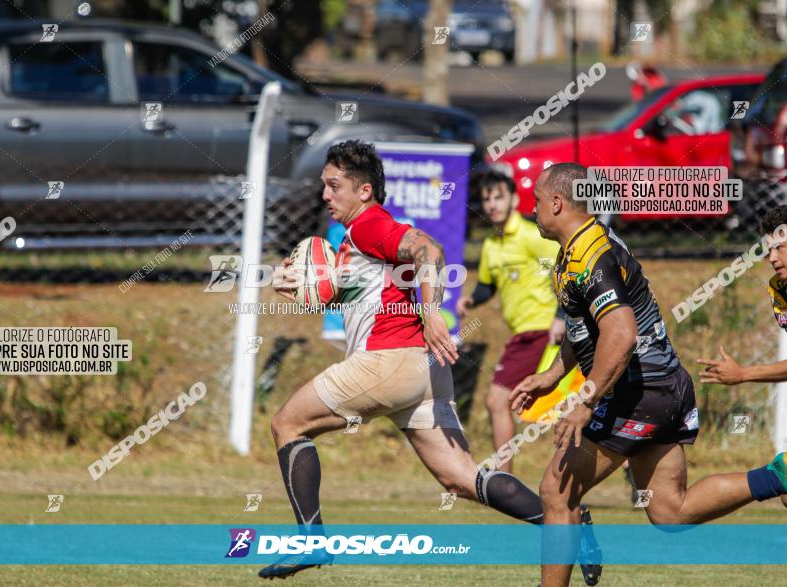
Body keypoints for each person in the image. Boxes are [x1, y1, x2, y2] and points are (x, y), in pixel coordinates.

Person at [259, 141, 601, 584]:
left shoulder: (368, 226)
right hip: (422, 370)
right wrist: (305, 289)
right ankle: (569, 520)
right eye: (324, 185)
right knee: (463, 480)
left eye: (334, 185)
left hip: (387, 362)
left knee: (287, 424)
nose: (325, 194)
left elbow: (429, 249)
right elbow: (364, 296)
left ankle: (311, 540)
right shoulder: (357, 240)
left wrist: (432, 311)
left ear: (364, 191)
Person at [509, 163, 787, 587]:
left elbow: (620, 334)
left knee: (556, 491)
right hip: (660, 388)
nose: (531, 210)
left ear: (557, 202)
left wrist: (585, 401)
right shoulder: (578, 249)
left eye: (536, 201)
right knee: (669, 510)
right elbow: (588, 328)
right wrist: (553, 372)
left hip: (639, 391)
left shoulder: (592, 256)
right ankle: (777, 477)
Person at [458, 170, 565, 472]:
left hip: (543, 331)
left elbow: (568, 266)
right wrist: (472, 300)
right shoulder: (492, 244)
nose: (492, 204)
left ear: (515, 199)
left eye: (499, 197)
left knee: (497, 400)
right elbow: (488, 285)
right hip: (524, 335)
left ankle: (504, 480)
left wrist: (560, 316)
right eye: (487, 198)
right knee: (561, 407)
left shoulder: (533, 235)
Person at [697, 204, 787, 509]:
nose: (771, 258)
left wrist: (744, 374)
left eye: (780, 249)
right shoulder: (780, 288)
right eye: (768, 250)